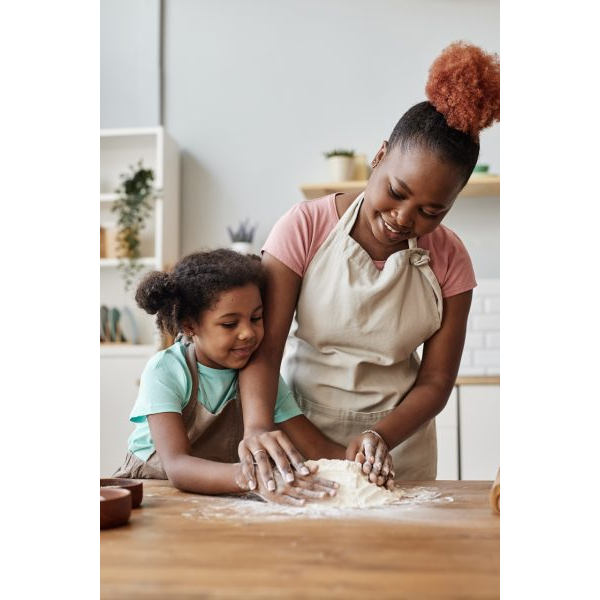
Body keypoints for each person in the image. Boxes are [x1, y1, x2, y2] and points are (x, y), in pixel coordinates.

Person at [237, 41, 500, 491]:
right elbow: (266, 348)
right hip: (299, 440)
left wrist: (381, 436)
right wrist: (258, 426)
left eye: (432, 211)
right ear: (379, 156)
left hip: (396, 455)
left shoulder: (450, 259)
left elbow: (436, 380)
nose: (404, 218)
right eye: (396, 191)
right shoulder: (303, 227)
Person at [113, 249, 349, 505]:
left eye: (256, 318)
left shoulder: (261, 379)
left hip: (215, 494)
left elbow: (317, 449)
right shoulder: (167, 370)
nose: (248, 333)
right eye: (229, 324)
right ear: (190, 325)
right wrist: (256, 477)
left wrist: (361, 462)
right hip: (154, 491)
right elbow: (178, 467)